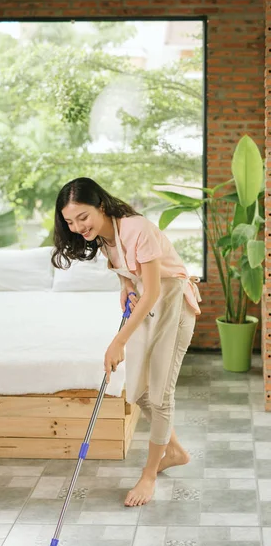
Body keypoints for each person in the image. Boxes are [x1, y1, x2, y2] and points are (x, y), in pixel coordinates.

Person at [52, 177, 201, 507]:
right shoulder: (106, 236)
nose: (78, 227)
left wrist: (117, 341)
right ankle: (174, 450)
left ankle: (149, 475)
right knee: (138, 391)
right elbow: (126, 271)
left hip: (172, 304)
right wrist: (124, 288)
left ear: (100, 206)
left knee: (160, 393)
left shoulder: (139, 229)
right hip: (150, 304)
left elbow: (155, 292)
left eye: (83, 217)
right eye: (70, 222)